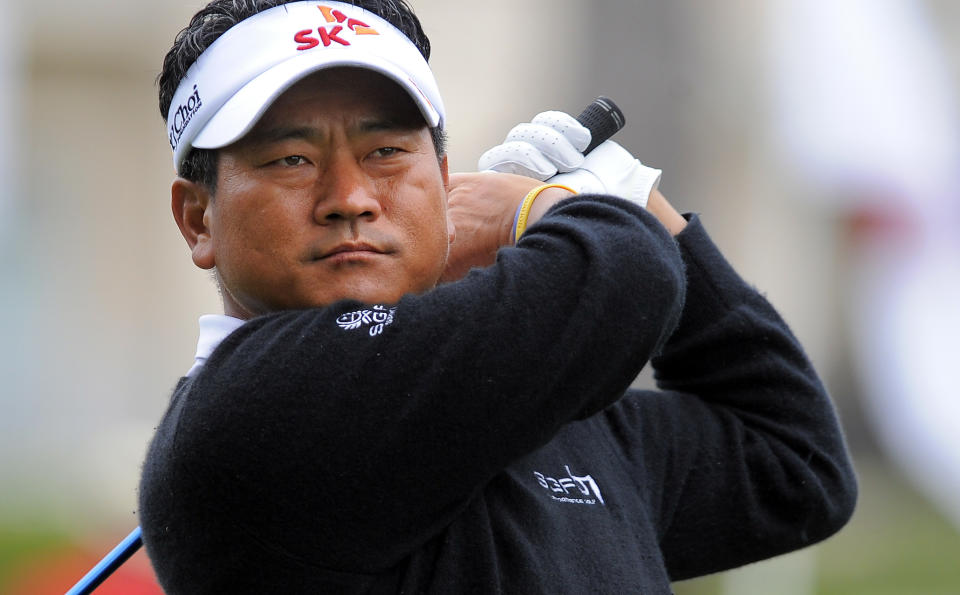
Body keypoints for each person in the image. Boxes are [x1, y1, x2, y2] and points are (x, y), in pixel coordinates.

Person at [138, 0, 858, 592]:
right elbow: (627, 277)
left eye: (386, 152)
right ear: (198, 218)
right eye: (291, 159)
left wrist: (635, 193)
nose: (350, 198)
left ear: (445, 181)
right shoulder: (248, 408)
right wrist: (544, 207)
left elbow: (796, 463)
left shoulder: (528, 409)